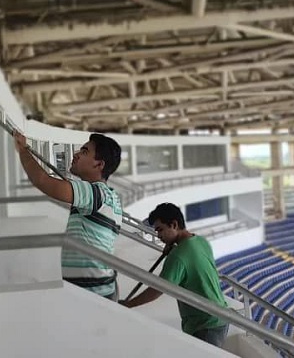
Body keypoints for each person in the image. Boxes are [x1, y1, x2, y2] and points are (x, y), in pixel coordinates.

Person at [13, 132, 123, 300]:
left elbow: (42, 181)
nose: (76, 154)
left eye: (84, 152)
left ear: (99, 164)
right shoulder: (106, 196)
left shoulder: (95, 192)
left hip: (93, 296)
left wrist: (22, 150)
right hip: (98, 291)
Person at [120, 203, 229, 348]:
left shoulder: (178, 256)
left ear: (174, 224)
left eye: (160, 230)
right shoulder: (201, 241)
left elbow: (157, 289)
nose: (158, 236)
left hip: (205, 325)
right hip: (220, 317)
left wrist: (128, 304)